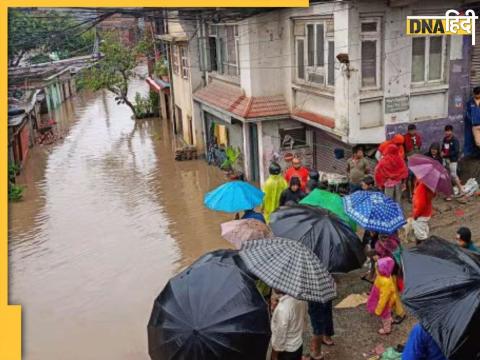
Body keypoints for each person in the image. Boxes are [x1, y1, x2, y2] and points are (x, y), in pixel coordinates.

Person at [366, 257, 406, 335]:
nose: (376, 267)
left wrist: (378, 309)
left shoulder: (385, 281)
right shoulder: (382, 276)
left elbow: (384, 298)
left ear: (383, 268)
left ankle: (387, 329)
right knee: (386, 314)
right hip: (383, 301)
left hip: (385, 303)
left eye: (378, 266)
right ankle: (389, 319)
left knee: (385, 316)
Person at [270, 290, 307, 360]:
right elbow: (304, 321)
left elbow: (279, 336)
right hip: (298, 345)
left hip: (286, 352)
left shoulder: (283, 308)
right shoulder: (301, 299)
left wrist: (274, 354)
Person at [441, 125, 463, 200]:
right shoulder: (445, 139)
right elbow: (443, 147)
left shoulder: (455, 140)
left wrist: (446, 154)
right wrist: (442, 152)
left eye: (449, 131)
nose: (447, 132)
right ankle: (450, 193)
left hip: (453, 160)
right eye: (446, 131)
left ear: (452, 131)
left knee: (453, 175)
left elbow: (456, 151)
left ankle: (461, 190)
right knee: (448, 176)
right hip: (445, 160)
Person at [464, 86, 480, 155]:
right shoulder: (470, 102)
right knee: (478, 143)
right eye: (475, 94)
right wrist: (472, 120)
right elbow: (467, 113)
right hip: (475, 126)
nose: (476, 95)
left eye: (478, 94)